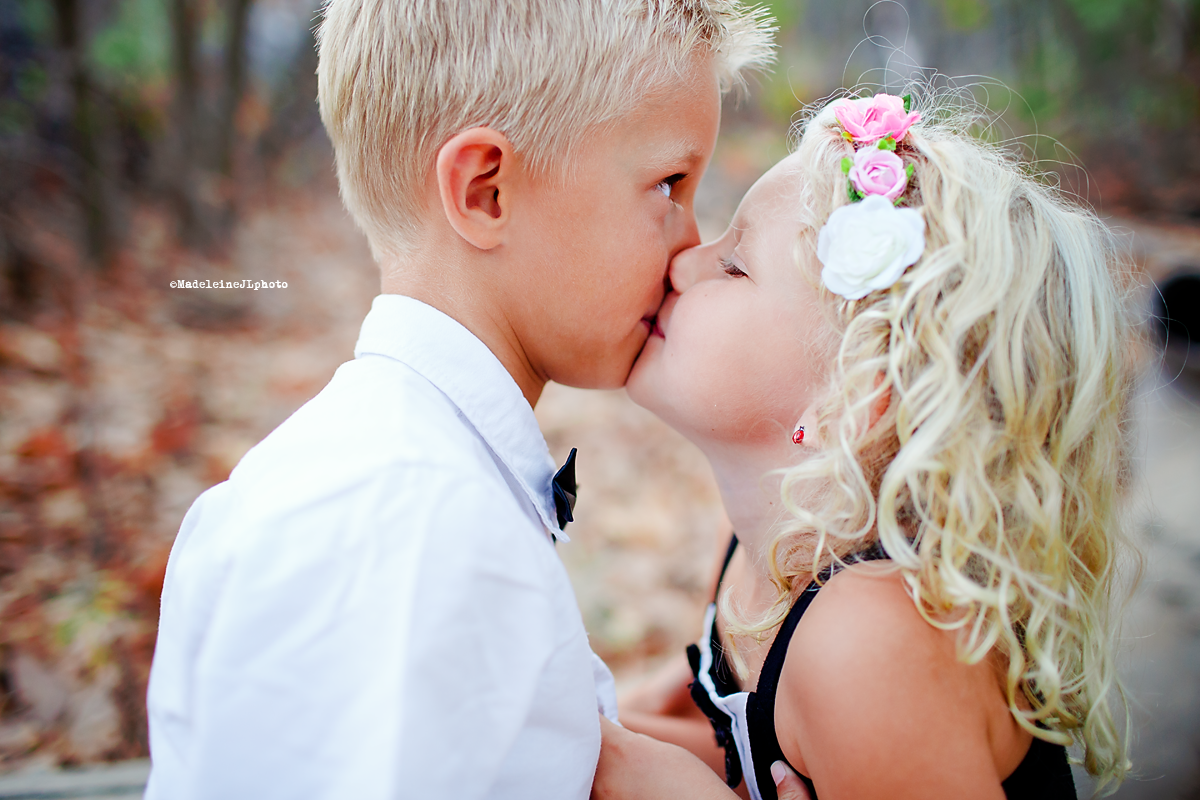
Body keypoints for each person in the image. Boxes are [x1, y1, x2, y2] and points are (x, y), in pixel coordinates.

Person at [143, 2, 776, 798]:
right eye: (669, 184)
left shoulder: (414, 482)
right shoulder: (411, 517)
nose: (689, 249)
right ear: (484, 192)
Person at [594, 91, 1138, 799]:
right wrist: (583, 734)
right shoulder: (763, 548)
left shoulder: (872, 645)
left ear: (849, 397)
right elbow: (750, 754)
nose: (683, 264)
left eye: (735, 266)